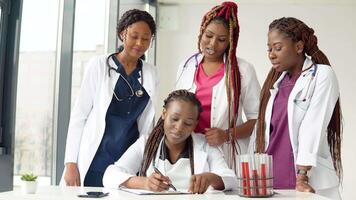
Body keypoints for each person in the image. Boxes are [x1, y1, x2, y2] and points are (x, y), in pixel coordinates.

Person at [62, 9, 158, 187]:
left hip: (127, 165)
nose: (139, 43)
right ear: (123, 34)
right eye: (134, 36)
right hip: (95, 159)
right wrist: (70, 163)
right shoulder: (99, 65)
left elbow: (146, 125)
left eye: (146, 38)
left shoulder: (151, 73)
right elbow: (79, 115)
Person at [250, 17, 342, 199]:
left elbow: (314, 124)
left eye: (278, 48)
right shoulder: (276, 83)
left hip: (304, 179)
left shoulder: (322, 75)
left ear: (299, 47)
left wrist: (303, 175)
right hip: (271, 178)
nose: (271, 54)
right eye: (269, 49)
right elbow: (262, 132)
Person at [175, 1, 261, 172]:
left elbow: (258, 120)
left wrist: (227, 134)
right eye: (208, 36)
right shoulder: (186, 66)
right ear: (201, 33)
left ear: (230, 42)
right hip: (190, 150)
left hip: (226, 153)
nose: (213, 44)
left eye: (221, 40)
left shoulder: (243, 70)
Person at [103, 90, 237, 193]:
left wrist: (211, 178)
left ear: (195, 124)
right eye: (174, 119)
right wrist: (145, 183)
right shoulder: (146, 143)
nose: (179, 128)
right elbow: (110, 175)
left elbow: (231, 180)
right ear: (164, 114)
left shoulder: (205, 145)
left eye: (188, 123)